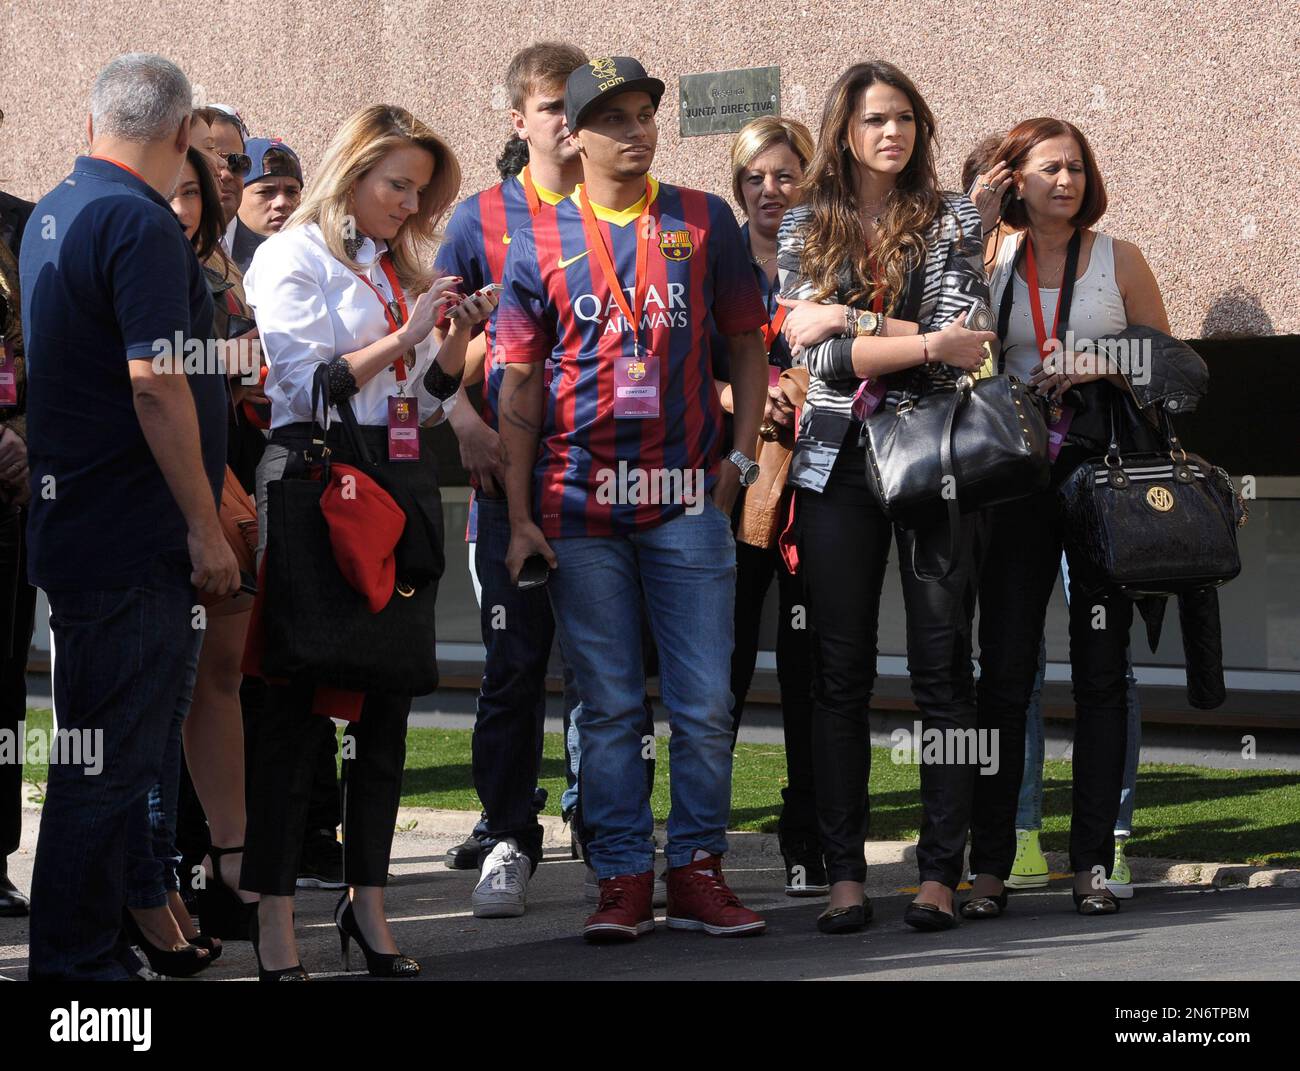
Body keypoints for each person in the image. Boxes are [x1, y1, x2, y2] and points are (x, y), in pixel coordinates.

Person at [498, 56, 771, 943]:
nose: (635, 129)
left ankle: (696, 869)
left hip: (690, 499)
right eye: (611, 117)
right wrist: (519, 515)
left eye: (645, 112)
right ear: (570, 134)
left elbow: (747, 346)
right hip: (579, 508)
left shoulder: (703, 218)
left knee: (700, 702)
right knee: (608, 705)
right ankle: (620, 874)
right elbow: (521, 384)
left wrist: (739, 466)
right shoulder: (538, 236)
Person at [241, 103, 492, 979]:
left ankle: (369, 907)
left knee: (387, 705)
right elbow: (307, 384)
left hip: (395, 483)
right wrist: (407, 333)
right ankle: (276, 919)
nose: (407, 204)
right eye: (397, 184)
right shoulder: (288, 255)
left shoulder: (395, 267)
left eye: (419, 190)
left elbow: (418, 404)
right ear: (351, 174)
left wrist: (449, 350)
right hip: (315, 483)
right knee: (295, 712)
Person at [21, 53, 237, 980]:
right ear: (183, 133)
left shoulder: (54, 210)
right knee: (106, 769)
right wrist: (203, 523)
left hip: (88, 527)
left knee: (106, 760)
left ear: (92, 121)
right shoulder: (140, 224)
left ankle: (100, 949)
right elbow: (157, 386)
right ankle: (78, 968)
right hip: (131, 535)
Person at [775, 61, 996, 934]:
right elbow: (811, 354)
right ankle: (844, 873)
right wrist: (915, 335)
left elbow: (968, 344)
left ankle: (941, 872)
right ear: (845, 130)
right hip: (836, 467)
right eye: (874, 119)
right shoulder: (804, 222)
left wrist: (856, 322)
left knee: (945, 671)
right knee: (841, 676)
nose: (892, 133)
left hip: (936, 458)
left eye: (904, 117)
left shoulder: (954, 217)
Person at [967, 117, 1169, 917]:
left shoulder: (1119, 257)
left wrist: (1105, 359)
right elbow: (942, 326)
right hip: (1013, 479)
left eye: (1077, 168)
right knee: (1005, 672)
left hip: (1102, 481)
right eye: (1050, 168)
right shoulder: (992, 256)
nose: (1067, 181)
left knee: (1100, 669)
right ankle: (991, 864)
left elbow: (1179, 362)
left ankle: (1091, 861)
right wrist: (974, 223)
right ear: (1014, 177)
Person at [433, 41, 588, 918]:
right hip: (509, 489)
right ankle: (506, 835)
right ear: (518, 120)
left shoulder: (639, 214)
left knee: (607, 671)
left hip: (608, 481)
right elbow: (435, 349)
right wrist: (463, 419)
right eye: (552, 104)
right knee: (514, 664)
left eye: (582, 104)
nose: (570, 120)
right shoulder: (477, 219)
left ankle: (608, 831)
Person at [714, 115, 824, 897]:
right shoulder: (719, 263)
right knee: (721, 668)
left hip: (820, 480)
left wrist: (804, 394)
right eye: (755, 177)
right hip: (738, 478)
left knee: (809, 669)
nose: (769, 190)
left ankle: (808, 835)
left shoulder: (830, 260)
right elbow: (685, 362)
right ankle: (698, 845)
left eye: (784, 175)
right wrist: (743, 399)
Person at [0, 107, 35, 919]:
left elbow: (63, 350)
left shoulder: (26, 225)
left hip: (14, 486)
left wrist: (27, 435)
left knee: (2, 680)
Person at [230, 138, 303, 271]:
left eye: (291, 192)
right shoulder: (217, 261)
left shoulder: (319, 256)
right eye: (266, 192)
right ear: (236, 194)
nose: (282, 202)